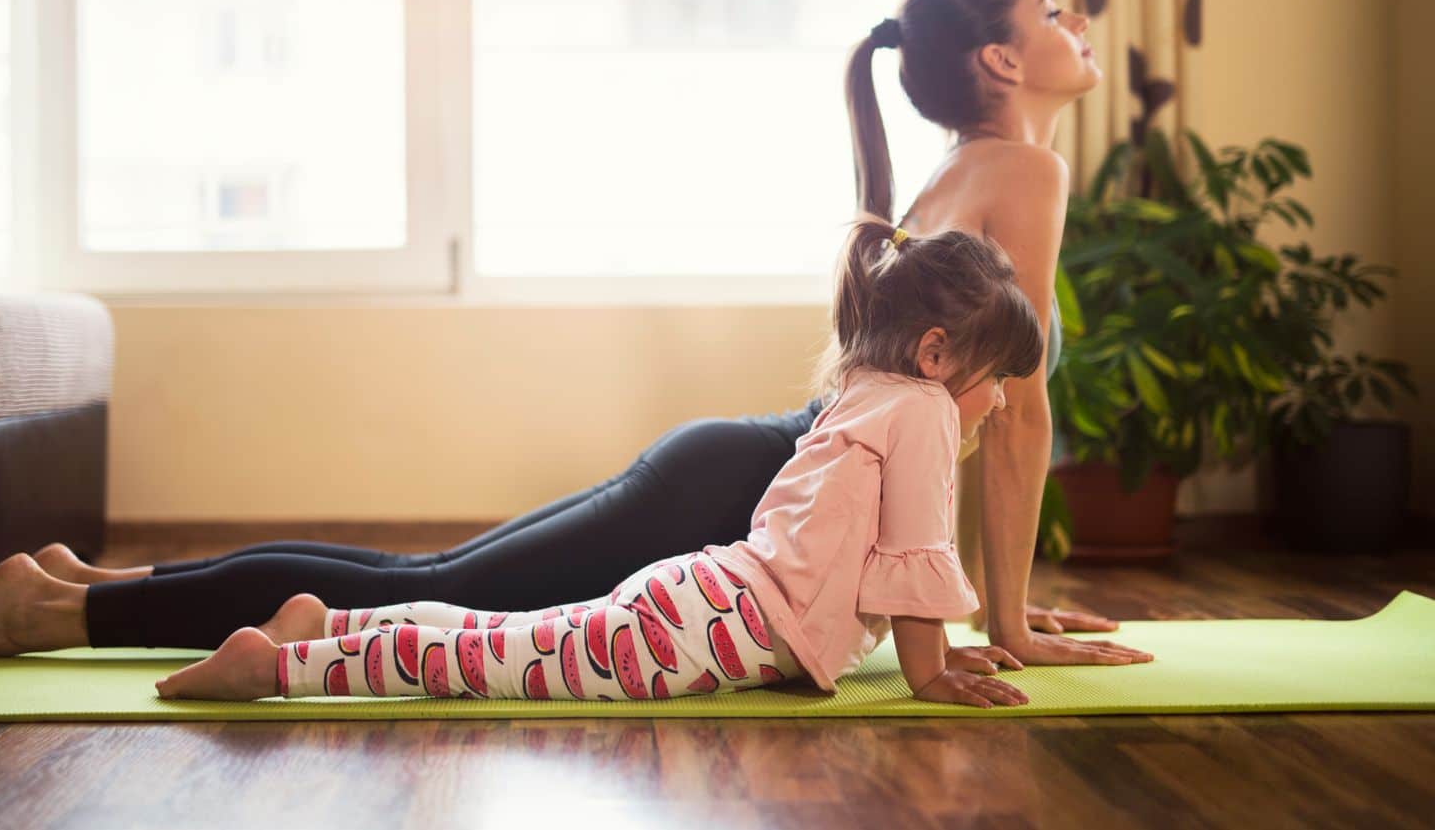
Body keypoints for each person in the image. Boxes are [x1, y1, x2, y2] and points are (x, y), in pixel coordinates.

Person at [0, 0, 1149, 671]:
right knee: (438, 587)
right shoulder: (1022, 170)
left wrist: (998, 604)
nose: (1073, 23)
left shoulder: (955, 172)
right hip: (739, 485)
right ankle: (50, 612)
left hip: (739, 460)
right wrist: (1013, 621)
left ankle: (78, 581)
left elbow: (958, 429)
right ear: (997, 59)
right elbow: (1016, 420)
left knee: (423, 578)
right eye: (1048, 10)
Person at [152, 226, 1107, 705]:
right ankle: (279, 665)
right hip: (707, 628)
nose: (1002, 401)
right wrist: (933, 676)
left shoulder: (867, 385)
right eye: (997, 380)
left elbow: (875, 564)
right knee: (492, 662)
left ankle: (333, 618)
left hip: (702, 594)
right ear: (938, 355)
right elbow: (911, 560)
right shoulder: (927, 413)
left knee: (510, 629)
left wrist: (942, 649)